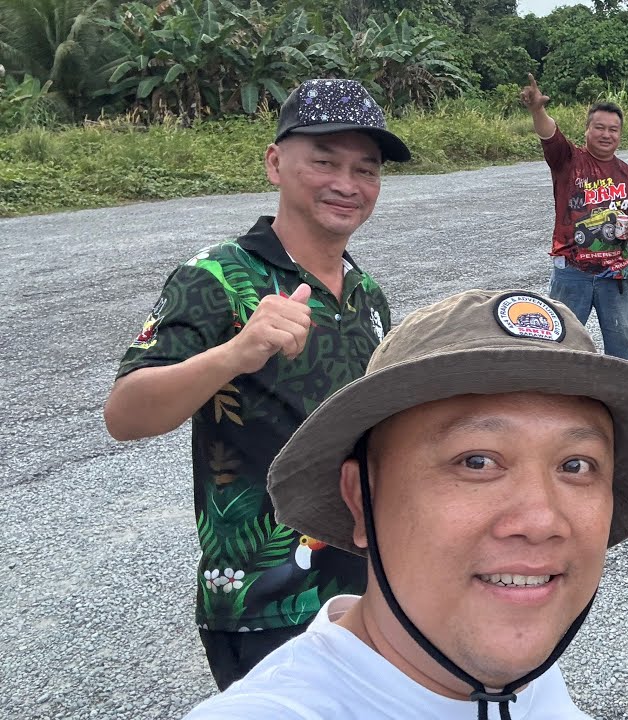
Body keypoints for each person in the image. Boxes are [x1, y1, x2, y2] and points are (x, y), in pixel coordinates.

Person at [183, 288, 628, 719]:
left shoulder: (526, 679)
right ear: (361, 501)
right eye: (477, 461)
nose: (542, 520)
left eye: (576, 465)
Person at [104, 78, 410, 689]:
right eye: (324, 161)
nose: (346, 184)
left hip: (368, 590)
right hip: (262, 599)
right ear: (275, 163)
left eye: (365, 169)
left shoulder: (366, 293)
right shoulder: (214, 277)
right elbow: (125, 414)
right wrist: (235, 353)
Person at [519, 73, 628, 362]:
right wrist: (537, 109)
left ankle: (622, 401)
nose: (606, 134)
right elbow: (549, 134)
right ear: (587, 130)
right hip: (571, 271)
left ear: (620, 134)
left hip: (615, 274)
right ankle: (557, 399)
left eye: (613, 129)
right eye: (599, 127)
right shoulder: (568, 160)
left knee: (623, 345)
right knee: (560, 341)